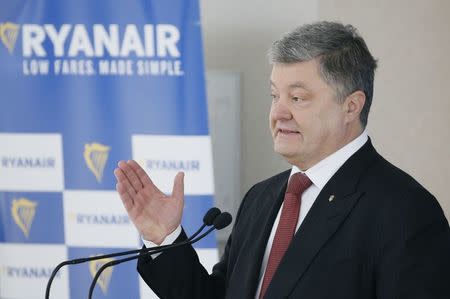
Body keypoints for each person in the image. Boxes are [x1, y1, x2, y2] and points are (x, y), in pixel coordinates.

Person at [114, 21, 450, 299]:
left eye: (298, 98)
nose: (278, 113)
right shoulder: (260, 198)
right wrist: (166, 238)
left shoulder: (406, 212)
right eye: (275, 95)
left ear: (352, 106)